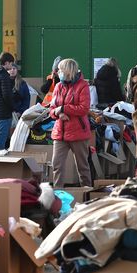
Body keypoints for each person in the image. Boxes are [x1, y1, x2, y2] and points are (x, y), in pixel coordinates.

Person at [49, 58, 92, 187]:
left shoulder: (83, 85)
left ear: (68, 71)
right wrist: (57, 113)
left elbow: (84, 108)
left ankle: (87, 193)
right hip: (60, 133)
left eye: (61, 70)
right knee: (56, 166)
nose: (58, 72)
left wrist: (63, 108)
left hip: (78, 133)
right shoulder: (58, 86)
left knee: (82, 167)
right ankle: (58, 195)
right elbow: (51, 109)